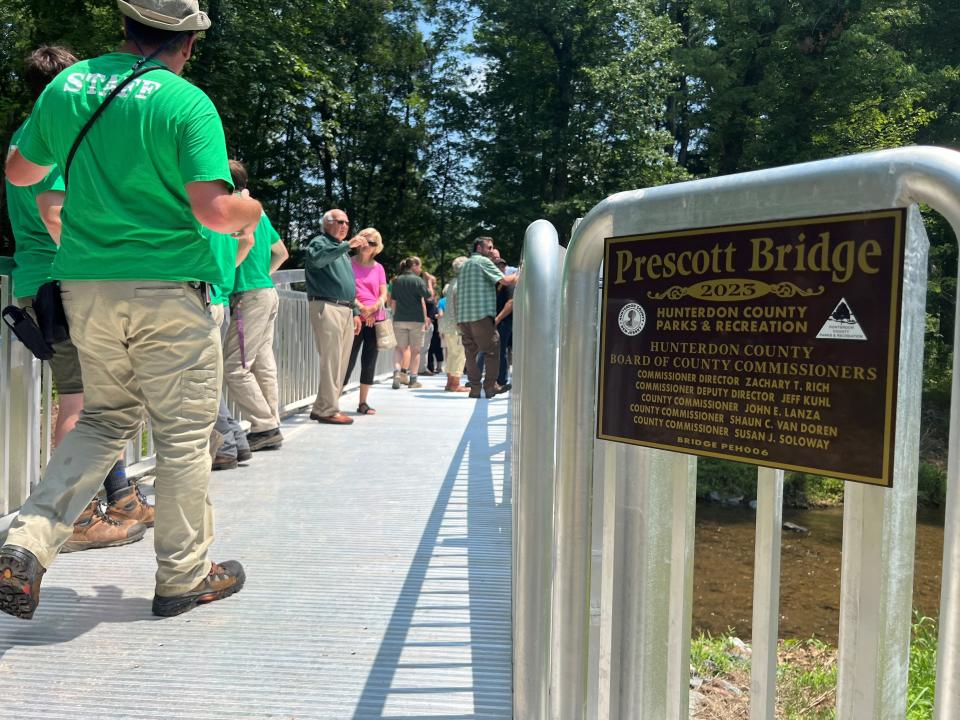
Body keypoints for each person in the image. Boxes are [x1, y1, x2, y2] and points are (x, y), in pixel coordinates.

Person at [1, 0, 263, 620]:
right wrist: (249, 208)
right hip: (170, 289)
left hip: (86, 286)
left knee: (102, 420)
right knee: (180, 435)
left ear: (126, 28)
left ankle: (25, 544)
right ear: (188, 43)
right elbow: (213, 213)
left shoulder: (68, 85)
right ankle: (183, 575)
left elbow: (20, 173)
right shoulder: (185, 102)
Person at [5, 45, 155, 553]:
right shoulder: (47, 136)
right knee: (81, 401)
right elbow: (53, 213)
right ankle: (77, 518)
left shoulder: (27, 136)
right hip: (61, 281)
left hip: (46, 278)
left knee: (102, 398)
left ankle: (120, 496)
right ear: (67, 86)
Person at [222, 160, 288, 451]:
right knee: (262, 362)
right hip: (266, 291)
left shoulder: (225, 208)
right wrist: (263, 276)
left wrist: (247, 280)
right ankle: (271, 422)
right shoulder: (256, 211)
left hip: (248, 294)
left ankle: (264, 424)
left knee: (234, 366)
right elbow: (281, 252)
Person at [203, 160, 257, 471]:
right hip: (218, 295)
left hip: (204, 297)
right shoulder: (230, 212)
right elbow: (247, 240)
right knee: (209, 378)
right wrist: (225, 271)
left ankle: (228, 443)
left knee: (202, 381)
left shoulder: (205, 209)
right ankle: (235, 441)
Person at [305, 208, 365, 425]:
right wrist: (347, 245)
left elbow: (349, 284)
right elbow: (318, 261)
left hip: (346, 310)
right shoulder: (319, 243)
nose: (344, 226)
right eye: (340, 221)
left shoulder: (341, 250)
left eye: (347, 223)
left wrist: (356, 312)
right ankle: (329, 410)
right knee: (331, 360)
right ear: (327, 223)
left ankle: (322, 407)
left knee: (340, 362)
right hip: (327, 306)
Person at [457, 236, 517, 399]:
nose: (492, 251)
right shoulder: (483, 262)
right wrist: (519, 274)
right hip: (481, 314)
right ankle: (490, 386)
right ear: (479, 248)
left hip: (464, 316)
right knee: (493, 349)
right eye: (489, 248)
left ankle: (475, 389)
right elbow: (504, 280)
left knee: (470, 353)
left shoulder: (464, 265)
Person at [343, 227, 387, 415]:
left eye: (372, 243)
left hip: (374, 318)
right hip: (354, 316)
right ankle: (331, 402)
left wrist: (374, 307)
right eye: (364, 240)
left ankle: (363, 402)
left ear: (377, 247)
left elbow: (383, 292)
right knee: (347, 360)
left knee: (369, 361)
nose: (367, 245)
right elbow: (345, 288)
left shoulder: (379, 268)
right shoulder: (348, 262)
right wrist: (362, 308)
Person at [390, 256, 433, 390]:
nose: (420, 269)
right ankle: (413, 380)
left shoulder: (397, 280)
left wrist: (394, 317)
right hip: (416, 320)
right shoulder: (418, 280)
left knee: (398, 348)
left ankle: (397, 373)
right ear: (413, 265)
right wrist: (430, 282)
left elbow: (393, 302)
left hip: (399, 319)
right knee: (415, 351)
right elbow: (429, 295)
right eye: (419, 266)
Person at [438, 256, 470, 392]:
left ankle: (449, 383)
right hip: (457, 326)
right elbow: (460, 306)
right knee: (459, 355)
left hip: (447, 325)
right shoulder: (463, 285)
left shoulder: (452, 283)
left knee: (452, 354)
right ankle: (455, 384)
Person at [493, 257, 515, 388]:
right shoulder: (495, 284)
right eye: (498, 267)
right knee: (495, 351)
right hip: (495, 322)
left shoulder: (509, 285)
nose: (501, 269)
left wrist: (498, 319)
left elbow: (510, 303)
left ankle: (501, 381)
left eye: (502, 267)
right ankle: (497, 380)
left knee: (501, 351)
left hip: (504, 322)